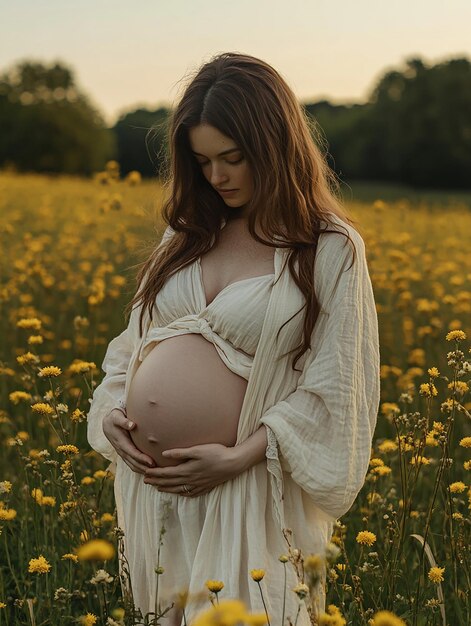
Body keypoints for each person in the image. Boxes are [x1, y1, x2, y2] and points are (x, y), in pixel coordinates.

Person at [86, 52, 380, 625]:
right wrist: (113, 414)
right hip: (156, 493)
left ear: (274, 147)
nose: (216, 178)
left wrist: (236, 458)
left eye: (232, 159)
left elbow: (337, 386)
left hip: (244, 488)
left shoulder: (329, 248)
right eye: (201, 162)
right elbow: (133, 347)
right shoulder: (189, 233)